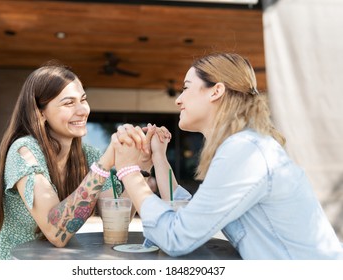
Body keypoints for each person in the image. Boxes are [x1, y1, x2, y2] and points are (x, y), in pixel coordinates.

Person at [111, 53, 343, 259]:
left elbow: (177, 237)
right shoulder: (245, 145)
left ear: (216, 91)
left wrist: (129, 171)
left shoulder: (245, 152)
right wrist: (159, 159)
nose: (178, 99)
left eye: (186, 87)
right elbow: (193, 215)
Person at [0, 62, 153, 260]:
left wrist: (143, 164)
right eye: (69, 103)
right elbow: (56, 232)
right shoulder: (24, 151)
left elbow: (118, 220)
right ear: (40, 112)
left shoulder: (87, 155)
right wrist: (104, 164)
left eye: (83, 100)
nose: (82, 110)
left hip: (52, 264)